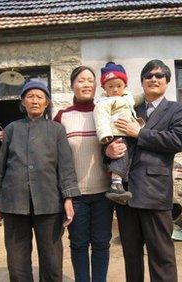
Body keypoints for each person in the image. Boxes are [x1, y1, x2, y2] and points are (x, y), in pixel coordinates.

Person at [105, 59, 182, 282]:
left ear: (167, 82)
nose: (154, 79)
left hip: (155, 193)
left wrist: (139, 133)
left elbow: (176, 141)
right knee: (131, 256)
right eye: (149, 76)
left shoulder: (177, 110)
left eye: (160, 75)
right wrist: (109, 151)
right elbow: (114, 137)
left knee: (161, 255)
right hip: (126, 195)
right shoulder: (129, 108)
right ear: (142, 82)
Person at [0, 80, 80, 282]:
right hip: (14, 204)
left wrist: (68, 197)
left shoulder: (57, 130)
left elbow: (65, 166)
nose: (35, 101)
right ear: (23, 102)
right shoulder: (12, 129)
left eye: (40, 97)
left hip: (49, 203)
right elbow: (1, 165)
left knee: (52, 263)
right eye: (30, 97)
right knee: (17, 264)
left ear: (47, 102)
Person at [54, 66, 113, 282]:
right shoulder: (63, 116)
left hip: (104, 194)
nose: (86, 84)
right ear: (72, 85)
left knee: (101, 244)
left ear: (96, 86)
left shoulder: (105, 112)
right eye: (81, 80)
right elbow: (54, 156)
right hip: (75, 195)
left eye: (90, 80)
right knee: (78, 245)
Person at [93, 62, 144, 203]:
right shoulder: (104, 102)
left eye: (119, 86)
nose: (115, 89)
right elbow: (101, 118)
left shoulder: (127, 97)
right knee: (120, 155)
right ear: (103, 87)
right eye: (110, 86)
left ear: (125, 86)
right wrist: (105, 135)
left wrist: (146, 94)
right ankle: (115, 183)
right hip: (116, 133)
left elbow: (139, 98)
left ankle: (121, 184)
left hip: (129, 133)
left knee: (127, 157)